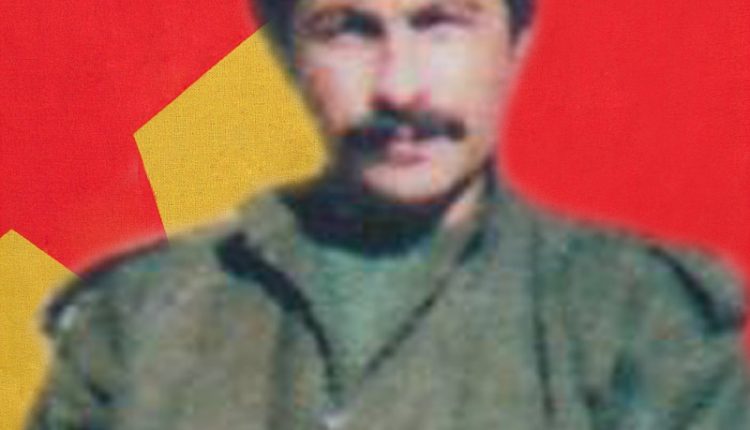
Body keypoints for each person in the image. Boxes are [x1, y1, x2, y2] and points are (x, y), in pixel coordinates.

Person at [28, 0, 750, 428]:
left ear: (516, 42)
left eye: (441, 23)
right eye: (347, 29)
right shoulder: (141, 318)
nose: (400, 88)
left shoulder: (636, 322)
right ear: (286, 54)